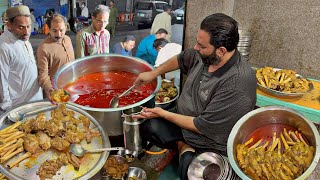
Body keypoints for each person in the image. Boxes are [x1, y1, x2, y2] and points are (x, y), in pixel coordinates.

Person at [134, 13, 257, 179]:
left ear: (221, 51)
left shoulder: (237, 84)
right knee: (146, 125)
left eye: (202, 46)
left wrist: (162, 113)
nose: (196, 48)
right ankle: (181, 145)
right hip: (183, 118)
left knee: (192, 173)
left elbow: (201, 126)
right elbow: (182, 58)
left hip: (208, 140)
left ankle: (184, 148)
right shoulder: (205, 55)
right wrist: (153, 73)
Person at [0, 5, 43, 113]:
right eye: (21, 27)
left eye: (28, 26)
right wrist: (8, 111)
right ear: (9, 25)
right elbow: (1, 81)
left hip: (35, 102)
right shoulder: (4, 47)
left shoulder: (23, 39)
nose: (26, 32)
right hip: (19, 108)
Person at [37, 14, 75, 98]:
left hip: (71, 87)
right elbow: (43, 76)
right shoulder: (44, 48)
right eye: (54, 31)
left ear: (65, 27)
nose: (59, 34)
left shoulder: (68, 39)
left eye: (61, 30)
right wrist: (50, 90)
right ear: (49, 29)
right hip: (55, 93)